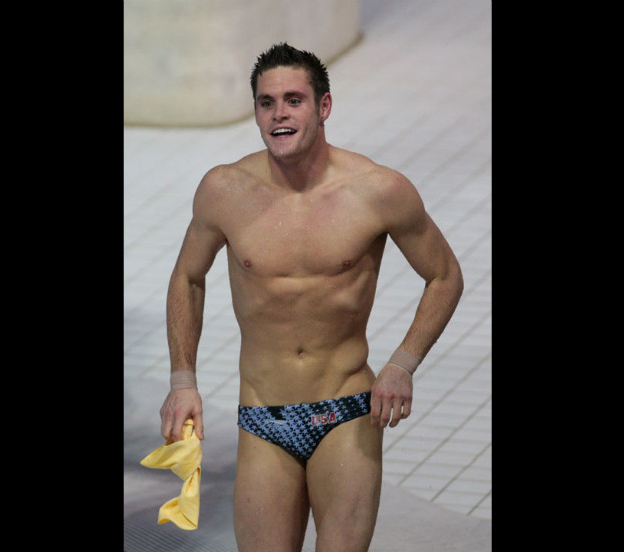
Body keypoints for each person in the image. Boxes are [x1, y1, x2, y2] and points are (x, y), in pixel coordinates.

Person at [158, 43, 464, 552]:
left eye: (294, 100)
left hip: (346, 408)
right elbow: (187, 277)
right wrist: (182, 380)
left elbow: (445, 275)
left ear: (323, 107)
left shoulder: (378, 190)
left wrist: (403, 364)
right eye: (266, 102)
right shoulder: (224, 191)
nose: (279, 114)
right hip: (262, 413)